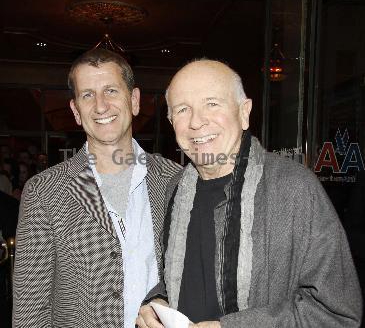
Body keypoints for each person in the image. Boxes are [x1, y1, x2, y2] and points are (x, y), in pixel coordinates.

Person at [136, 59, 363, 328]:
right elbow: (182, 277)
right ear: (172, 122)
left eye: (212, 103)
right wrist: (158, 301)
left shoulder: (294, 188)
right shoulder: (175, 188)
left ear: (244, 112)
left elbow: (337, 314)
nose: (196, 122)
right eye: (183, 109)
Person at [13, 48, 181, 328]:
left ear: (135, 100)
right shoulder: (43, 192)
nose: (101, 106)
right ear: (76, 111)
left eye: (111, 91)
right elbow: (30, 311)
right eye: (87, 95)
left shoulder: (176, 180)